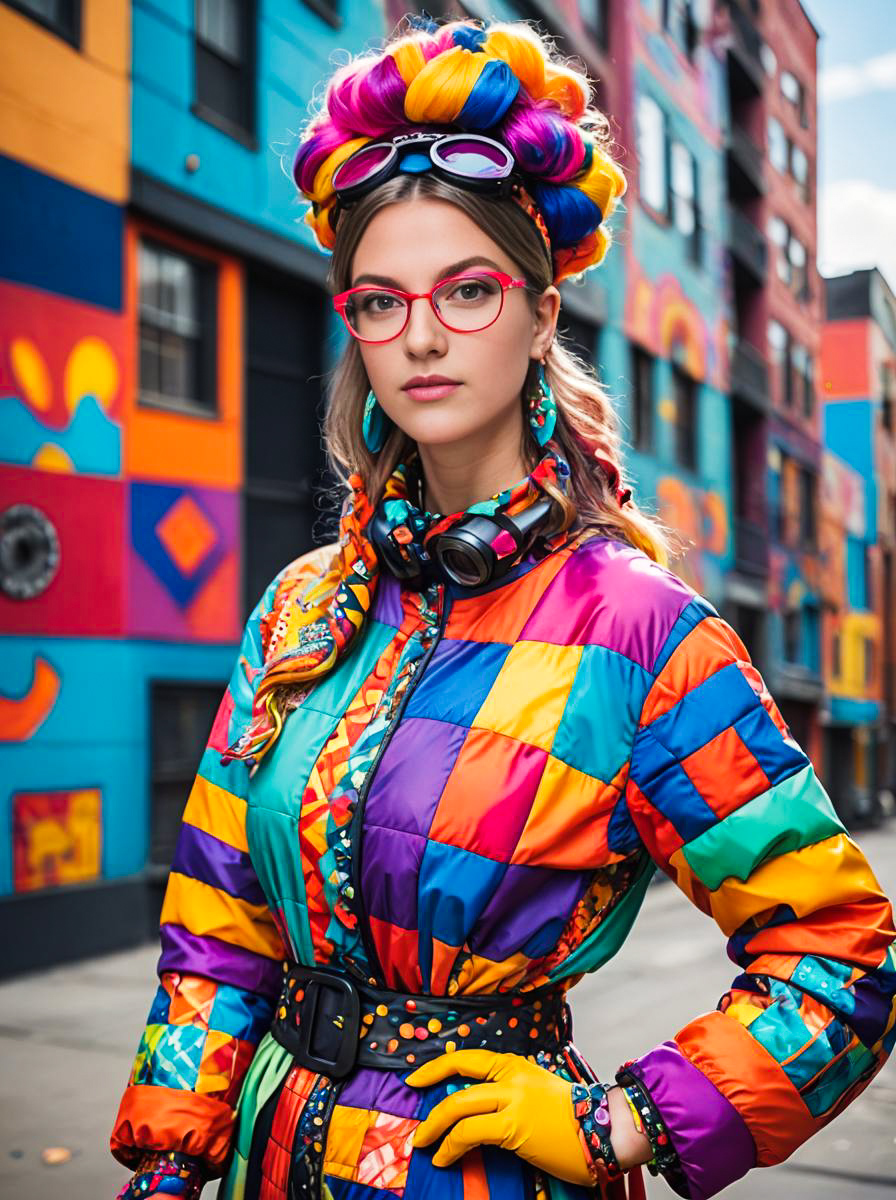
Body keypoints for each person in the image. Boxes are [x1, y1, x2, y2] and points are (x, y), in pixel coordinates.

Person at [110, 16, 896, 1200]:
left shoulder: (638, 633)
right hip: (258, 1165)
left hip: (474, 1174)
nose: (418, 335)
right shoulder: (298, 610)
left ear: (539, 318)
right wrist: (170, 1167)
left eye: (466, 290)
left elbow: (840, 954)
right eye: (378, 302)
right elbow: (217, 929)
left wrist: (622, 1119)